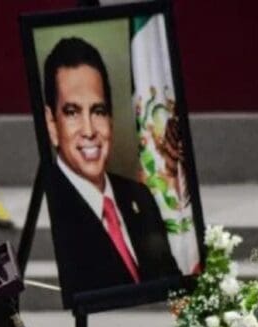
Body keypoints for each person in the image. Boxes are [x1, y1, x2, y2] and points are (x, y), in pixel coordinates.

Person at [42, 37, 180, 307]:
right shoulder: (54, 211)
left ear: (111, 119)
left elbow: (170, 283)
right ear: (51, 124)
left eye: (98, 111)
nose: (90, 130)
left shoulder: (140, 197)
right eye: (72, 112)